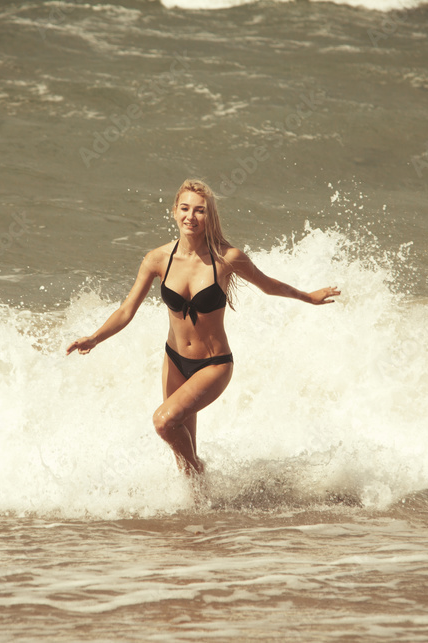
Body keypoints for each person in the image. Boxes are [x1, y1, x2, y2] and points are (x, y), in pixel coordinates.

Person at [66, 179, 339, 476]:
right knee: (182, 456)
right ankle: (199, 512)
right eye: (184, 208)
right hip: (174, 360)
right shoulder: (157, 259)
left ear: (210, 217)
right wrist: (95, 338)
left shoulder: (226, 258)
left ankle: (201, 471)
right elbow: (126, 309)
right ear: (174, 212)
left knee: (163, 422)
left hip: (213, 365)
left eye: (200, 211)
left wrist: (308, 297)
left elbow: (268, 285)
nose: (190, 217)